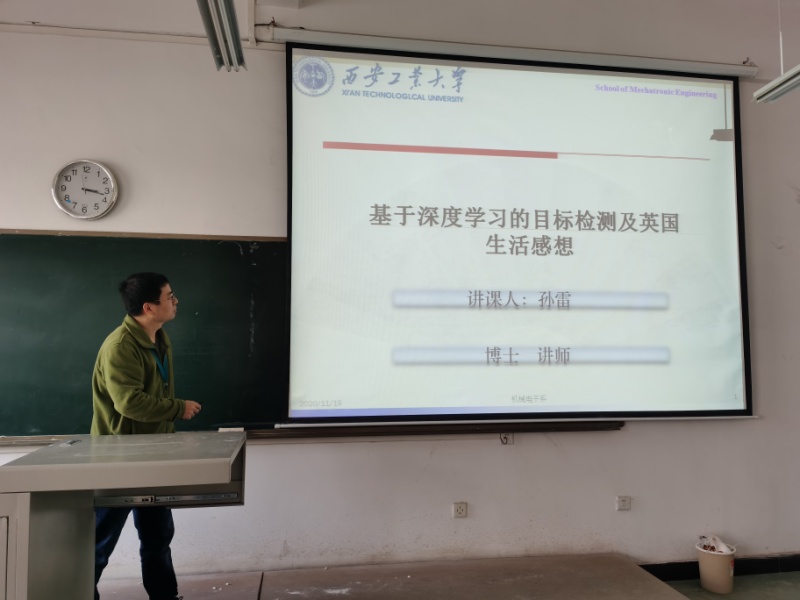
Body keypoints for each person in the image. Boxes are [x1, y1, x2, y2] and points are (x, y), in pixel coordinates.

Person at [91, 272, 202, 600]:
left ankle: (165, 595)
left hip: (153, 455)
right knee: (100, 541)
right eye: (170, 297)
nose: (176, 301)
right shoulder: (120, 346)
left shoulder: (158, 339)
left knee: (158, 536)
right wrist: (177, 408)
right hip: (120, 460)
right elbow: (129, 403)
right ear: (149, 307)